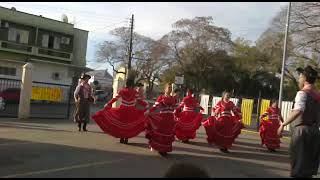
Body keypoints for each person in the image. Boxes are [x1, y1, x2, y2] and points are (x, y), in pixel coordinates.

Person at [278, 65, 320, 178]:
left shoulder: (302, 93)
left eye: (300, 76)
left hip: (301, 132)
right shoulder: (318, 94)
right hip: (315, 132)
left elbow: (298, 111)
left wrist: (283, 124)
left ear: (305, 78)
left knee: (298, 167)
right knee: (308, 167)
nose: (299, 78)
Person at [91, 76, 146, 144]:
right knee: (129, 125)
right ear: (132, 84)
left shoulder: (122, 91)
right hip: (131, 110)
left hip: (123, 109)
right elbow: (139, 101)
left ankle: (122, 138)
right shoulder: (135, 92)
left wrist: (108, 104)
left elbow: (115, 98)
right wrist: (146, 105)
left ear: (126, 84)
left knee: (121, 124)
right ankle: (126, 138)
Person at [145, 83, 177, 156]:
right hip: (163, 117)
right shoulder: (161, 97)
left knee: (168, 134)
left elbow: (176, 107)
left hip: (170, 118)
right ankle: (160, 148)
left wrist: (177, 115)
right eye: (168, 88)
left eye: (170, 88)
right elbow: (155, 106)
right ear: (165, 89)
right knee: (161, 133)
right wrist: (149, 111)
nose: (169, 89)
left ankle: (165, 149)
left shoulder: (173, 98)